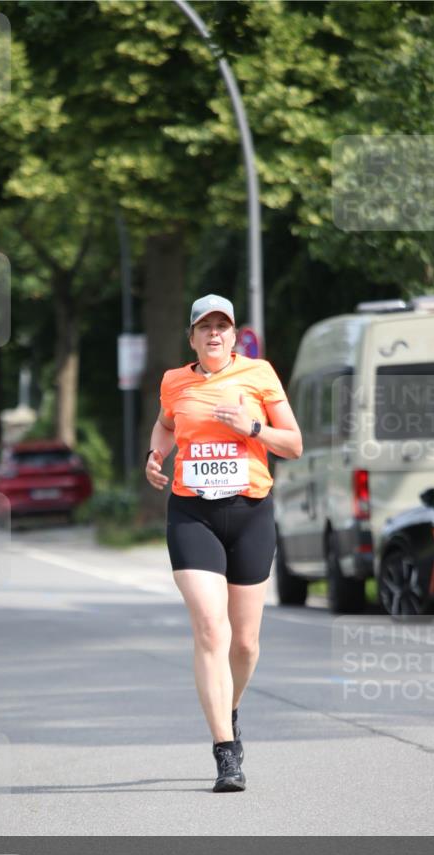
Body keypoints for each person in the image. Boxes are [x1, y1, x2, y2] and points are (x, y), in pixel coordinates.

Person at [145, 294, 303, 792]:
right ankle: (225, 752)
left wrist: (252, 427)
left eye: (223, 326)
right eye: (204, 327)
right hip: (192, 512)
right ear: (191, 336)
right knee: (211, 629)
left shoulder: (259, 375)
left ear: (235, 336)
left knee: (246, 642)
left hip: (251, 511)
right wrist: (156, 454)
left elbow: (294, 444)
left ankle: (229, 706)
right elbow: (167, 424)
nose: (214, 334)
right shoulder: (175, 381)